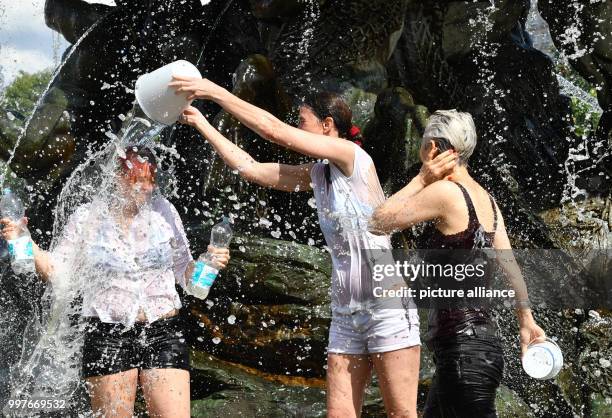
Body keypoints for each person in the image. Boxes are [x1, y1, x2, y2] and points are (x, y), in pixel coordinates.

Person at [170, 76, 457, 417]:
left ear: (327, 125)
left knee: (401, 414)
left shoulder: (352, 156)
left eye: (302, 121)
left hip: (386, 309)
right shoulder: (319, 173)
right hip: (346, 312)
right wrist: (202, 122)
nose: (297, 127)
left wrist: (212, 91)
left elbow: (274, 131)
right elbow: (252, 169)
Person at [1, 145, 230, 418]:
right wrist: (24, 240)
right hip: (108, 334)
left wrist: (208, 263)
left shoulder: (165, 211)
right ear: (116, 177)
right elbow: (57, 272)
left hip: (164, 330)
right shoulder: (87, 217)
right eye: (137, 179)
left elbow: (188, 277)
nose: (145, 187)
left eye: (151, 179)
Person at [368, 110, 546, 417]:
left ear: (435, 149)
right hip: (481, 348)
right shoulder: (487, 199)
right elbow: (512, 268)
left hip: (463, 353)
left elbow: (377, 222)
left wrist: (421, 178)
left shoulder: (445, 192)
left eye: (424, 145)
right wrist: (526, 321)